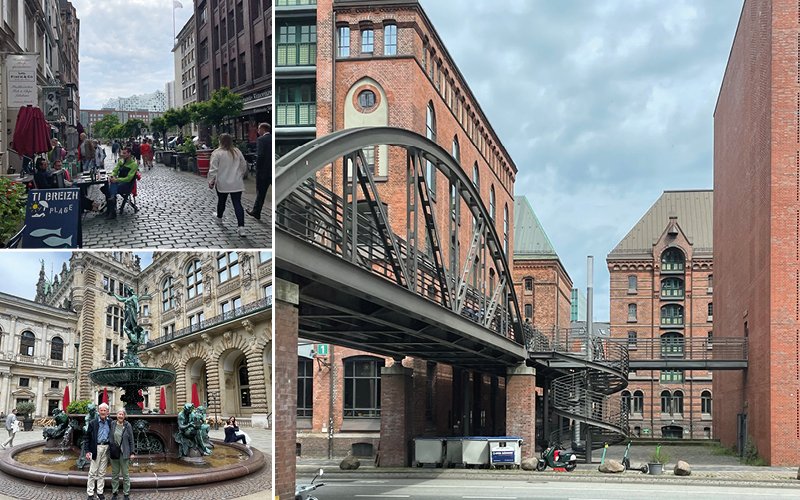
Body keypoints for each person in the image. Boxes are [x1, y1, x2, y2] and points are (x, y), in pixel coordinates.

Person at [207, 133, 247, 237]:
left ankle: (219, 217)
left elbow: (213, 169)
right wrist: (240, 175)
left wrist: (211, 180)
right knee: (237, 203)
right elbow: (243, 165)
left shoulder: (217, 153)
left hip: (223, 181)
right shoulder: (237, 152)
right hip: (236, 181)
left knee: (222, 201)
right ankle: (241, 227)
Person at [35, 158, 100, 212]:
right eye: (44, 164)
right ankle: (91, 206)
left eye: (46, 164)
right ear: (40, 166)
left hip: (60, 187)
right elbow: (46, 186)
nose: (46, 166)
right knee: (76, 191)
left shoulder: (45, 172)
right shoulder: (40, 175)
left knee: (79, 188)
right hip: (54, 192)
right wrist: (54, 182)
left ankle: (91, 204)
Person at [100, 147, 138, 220]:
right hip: (119, 183)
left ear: (129, 154)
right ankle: (112, 200)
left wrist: (116, 180)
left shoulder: (133, 165)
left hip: (127, 185)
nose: (122, 155)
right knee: (105, 188)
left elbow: (128, 179)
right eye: (122, 153)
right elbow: (115, 170)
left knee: (108, 188)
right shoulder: (121, 162)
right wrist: (112, 176)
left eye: (124, 153)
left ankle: (111, 210)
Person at [83, 402, 111, 500]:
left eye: (105, 410)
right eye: (101, 410)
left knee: (102, 472)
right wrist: (87, 451)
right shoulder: (93, 423)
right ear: (98, 411)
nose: (103, 412)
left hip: (106, 448)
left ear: (107, 411)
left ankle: (100, 492)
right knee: (92, 472)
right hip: (96, 448)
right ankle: (90, 493)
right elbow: (87, 438)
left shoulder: (111, 422)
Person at [246, 123, 272, 221]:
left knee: (261, 192)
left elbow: (260, 155)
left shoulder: (261, 139)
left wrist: (258, 167)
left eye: (259, 129)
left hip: (264, 171)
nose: (257, 131)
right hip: (272, 170)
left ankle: (256, 212)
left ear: (263, 129)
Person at [109, 408, 134, 500]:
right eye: (119, 414)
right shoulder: (112, 424)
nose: (120, 416)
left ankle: (126, 493)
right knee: (115, 473)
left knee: (125, 474)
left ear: (124, 416)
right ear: (116, 415)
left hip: (125, 453)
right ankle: (114, 492)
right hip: (114, 452)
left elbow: (131, 440)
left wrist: (132, 452)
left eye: (122, 414)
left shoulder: (128, 425)